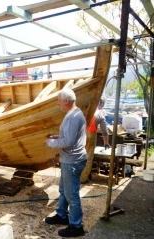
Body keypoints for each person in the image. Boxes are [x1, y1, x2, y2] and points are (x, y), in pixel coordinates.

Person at [44, 88, 87, 237]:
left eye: (59, 101)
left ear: (66, 101)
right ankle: (62, 215)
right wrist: (58, 136)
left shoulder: (73, 117)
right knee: (64, 190)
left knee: (71, 195)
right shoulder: (74, 114)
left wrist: (50, 142)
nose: (58, 103)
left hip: (72, 161)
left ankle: (76, 226)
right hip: (70, 160)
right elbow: (70, 136)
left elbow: (68, 141)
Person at [81, 98, 110, 184]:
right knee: (88, 158)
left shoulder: (85, 110)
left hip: (80, 134)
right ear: (100, 105)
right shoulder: (100, 115)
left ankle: (74, 177)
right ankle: (83, 179)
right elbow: (104, 131)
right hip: (90, 135)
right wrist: (106, 143)